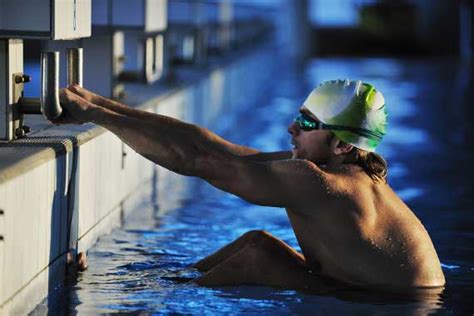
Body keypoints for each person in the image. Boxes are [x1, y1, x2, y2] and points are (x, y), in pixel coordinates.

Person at [56, 79, 445, 293]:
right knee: (257, 244)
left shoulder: (320, 183)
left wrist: (95, 117)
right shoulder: (347, 173)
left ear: (343, 144)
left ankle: (124, 292)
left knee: (257, 259)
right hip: (388, 293)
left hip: (390, 306)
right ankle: (157, 281)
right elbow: (216, 149)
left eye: (309, 124)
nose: (292, 128)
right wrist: (99, 106)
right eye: (299, 116)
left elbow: (198, 161)